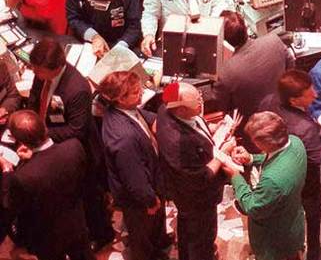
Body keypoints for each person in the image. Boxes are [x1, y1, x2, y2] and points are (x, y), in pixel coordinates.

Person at [27, 38, 114, 250]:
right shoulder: (42, 75)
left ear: (56, 68)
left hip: (80, 151)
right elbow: (34, 98)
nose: (34, 73)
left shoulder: (77, 88)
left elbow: (77, 129)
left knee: (89, 196)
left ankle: (102, 235)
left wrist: (41, 135)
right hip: (52, 143)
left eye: (38, 70)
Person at [98, 71, 170, 260]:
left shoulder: (121, 109)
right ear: (120, 99)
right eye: (136, 92)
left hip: (150, 181)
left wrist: (154, 120)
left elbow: (140, 115)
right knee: (142, 234)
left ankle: (160, 244)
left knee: (155, 225)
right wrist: (149, 200)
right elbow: (134, 178)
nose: (142, 94)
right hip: (139, 198)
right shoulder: (124, 138)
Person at [156, 82, 230, 260]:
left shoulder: (166, 107)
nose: (201, 102)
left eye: (199, 97)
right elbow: (200, 178)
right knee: (201, 237)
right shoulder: (179, 143)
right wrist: (222, 154)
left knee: (188, 229)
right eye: (197, 101)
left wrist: (211, 128)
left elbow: (195, 124)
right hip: (197, 198)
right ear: (181, 109)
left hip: (185, 197)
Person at [5, 110, 92, 260]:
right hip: (76, 222)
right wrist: (34, 157)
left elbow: (11, 205)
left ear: (20, 141)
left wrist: (8, 171)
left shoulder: (22, 177)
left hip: (47, 234)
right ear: (44, 127)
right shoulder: (74, 147)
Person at [224, 111, 307, 260]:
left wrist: (235, 176)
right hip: (293, 221)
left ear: (264, 143)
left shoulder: (272, 180)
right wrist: (251, 158)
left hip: (274, 239)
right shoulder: (295, 142)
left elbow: (252, 206)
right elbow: (277, 158)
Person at [261, 71, 321, 260]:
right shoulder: (305, 129)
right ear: (294, 100)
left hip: (282, 173)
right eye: (309, 93)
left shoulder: (268, 102)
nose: (315, 94)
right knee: (314, 222)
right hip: (308, 184)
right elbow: (319, 162)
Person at [212, 11, 293, 150]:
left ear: (223, 39)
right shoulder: (274, 41)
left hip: (255, 134)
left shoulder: (225, 72)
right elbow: (291, 67)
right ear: (246, 27)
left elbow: (221, 107)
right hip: (287, 115)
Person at [66, 0, 142, 58]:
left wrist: (120, 48)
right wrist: (93, 36)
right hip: (87, 41)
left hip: (118, 42)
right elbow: (74, 18)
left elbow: (134, 26)